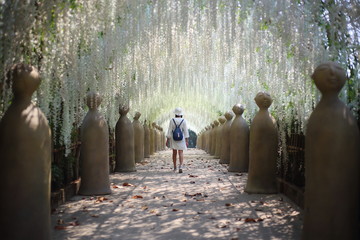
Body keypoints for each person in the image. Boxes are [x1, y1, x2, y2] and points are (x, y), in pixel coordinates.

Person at [166, 107, 189, 173]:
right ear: (181, 114)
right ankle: (181, 166)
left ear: (175, 113)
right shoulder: (183, 121)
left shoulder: (172, 120)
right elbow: (186, 131)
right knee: (181, 152)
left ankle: (175, 167)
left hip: (174, 138)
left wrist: (168, 139)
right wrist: (187, 140)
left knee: (174, 152)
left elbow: (169, 131)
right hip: (181, 138)